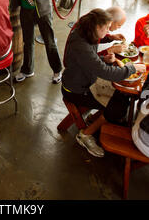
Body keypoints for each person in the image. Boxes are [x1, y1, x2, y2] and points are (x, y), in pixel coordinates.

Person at [62, 8, 146, 157]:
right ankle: (85, 135)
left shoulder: (85, 32)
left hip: (84, 79)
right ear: (97, 27)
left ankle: (98, 118)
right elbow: (105, 72)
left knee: (122, 96)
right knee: (119, 106)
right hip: (76, 90)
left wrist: (103, 59)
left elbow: (87, 62)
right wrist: (131, 68)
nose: (108, 30)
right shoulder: (81, 44)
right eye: (107, 27)